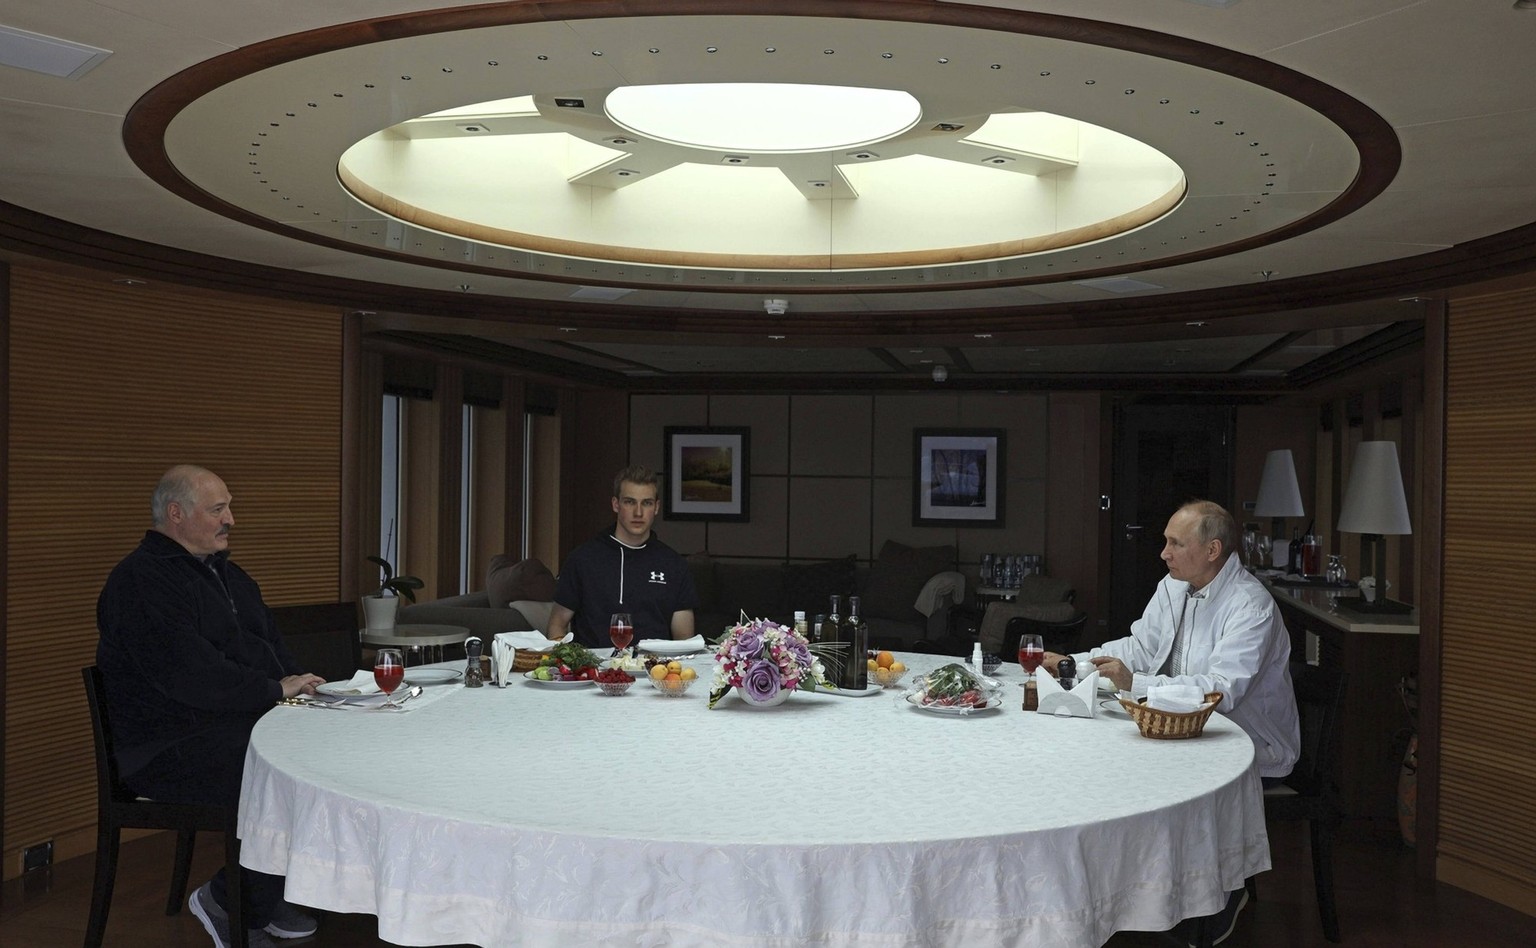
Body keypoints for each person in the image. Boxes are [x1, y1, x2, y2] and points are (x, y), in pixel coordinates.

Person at [1044, 499, 1299, 947]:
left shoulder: (1250, 605)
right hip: (1178, 729)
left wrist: (1136, 683)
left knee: (1148, 774)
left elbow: (1223, 690)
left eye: (1175, 543)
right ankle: (1134, 893)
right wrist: (1075, 662)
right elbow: (1140, 646)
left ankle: (1215, 893)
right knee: (1101, 762)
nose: (1163, 552)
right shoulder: (1174, 586)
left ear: (1213, 549)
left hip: (1242, 740)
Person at [96, 465, 324, 948]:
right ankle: (228, 900)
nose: (231, 520)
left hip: (227, 726)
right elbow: (191, 675)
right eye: (218, 509)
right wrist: (272, 691)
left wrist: (300, 686)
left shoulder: (229, 574)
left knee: (330, 749)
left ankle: (261, 894)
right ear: (175, 515)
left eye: (229, 507)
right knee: (285, 772)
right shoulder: (140, 582)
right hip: (167, 747)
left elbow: (271, 648)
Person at [547, 465, 698, 648]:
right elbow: (557, 626)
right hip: (594, 671)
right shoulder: (582, 559)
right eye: (629, 502)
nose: (638, 513)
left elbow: (684, 641)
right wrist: (569, 667)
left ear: (656, 507)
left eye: (647, 503)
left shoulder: (674, 565)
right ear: (615, 504)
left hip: (655, 670)